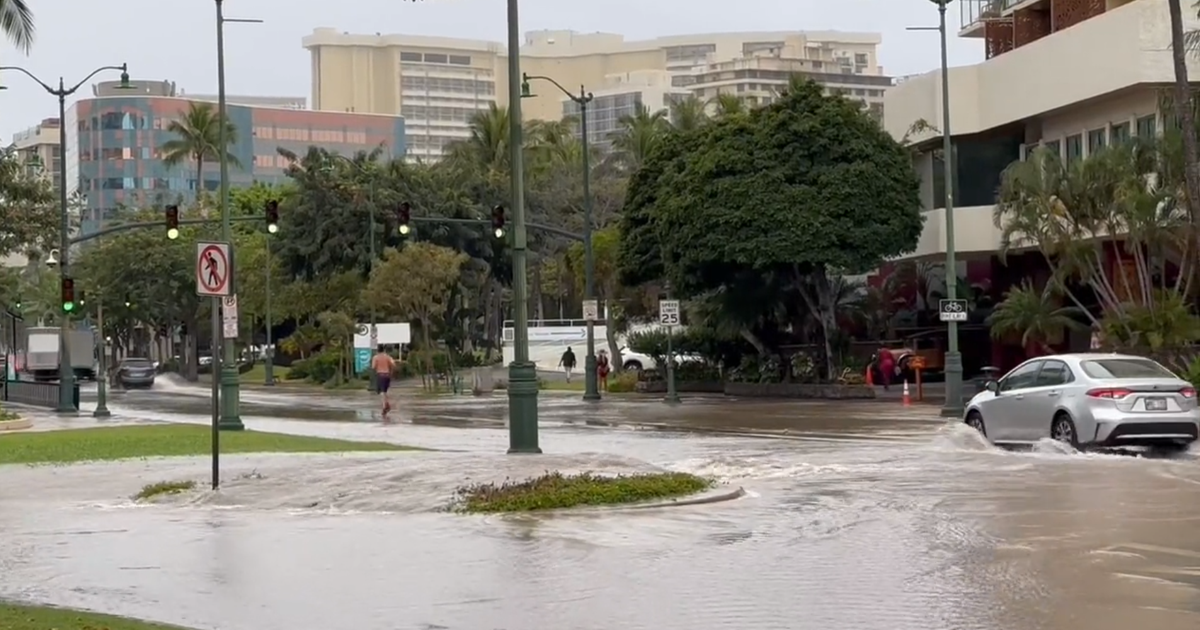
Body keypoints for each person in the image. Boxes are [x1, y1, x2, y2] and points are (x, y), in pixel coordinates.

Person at [370, 345, 396, 418]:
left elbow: (373, 367)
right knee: (385, 391)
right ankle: (387, 404)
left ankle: (385, 406)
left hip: (380, 375)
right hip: (387, 375)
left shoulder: (376, 357)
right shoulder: (388, 357)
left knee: (382, 392)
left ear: (377, 350)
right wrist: (391, 371)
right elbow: (393, 364)